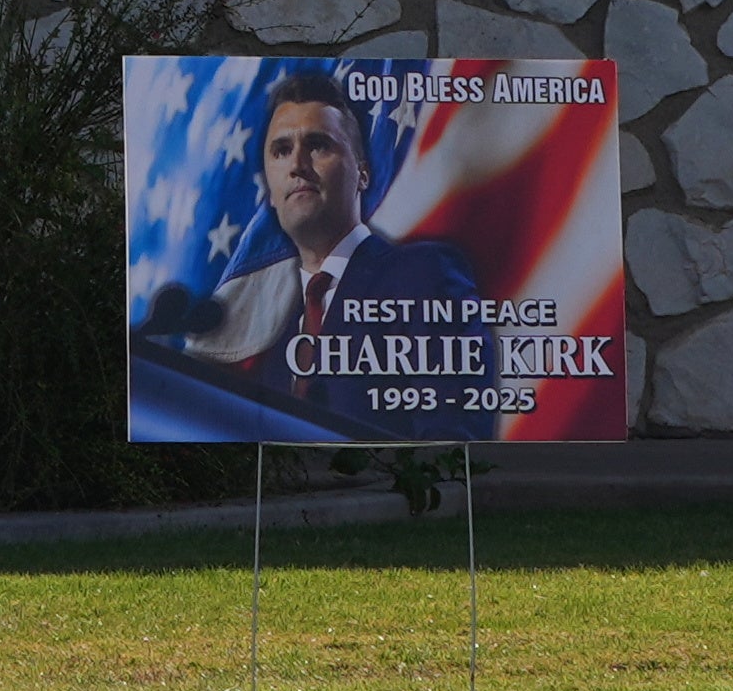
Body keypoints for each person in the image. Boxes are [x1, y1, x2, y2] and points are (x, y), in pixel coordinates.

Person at [184, 67, 501, 437]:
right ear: (271, 192)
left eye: (318, 145)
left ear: (363, 174)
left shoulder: (422, 273)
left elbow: (452, 437)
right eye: (282, 150)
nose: (298, 166)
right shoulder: (276, 339)